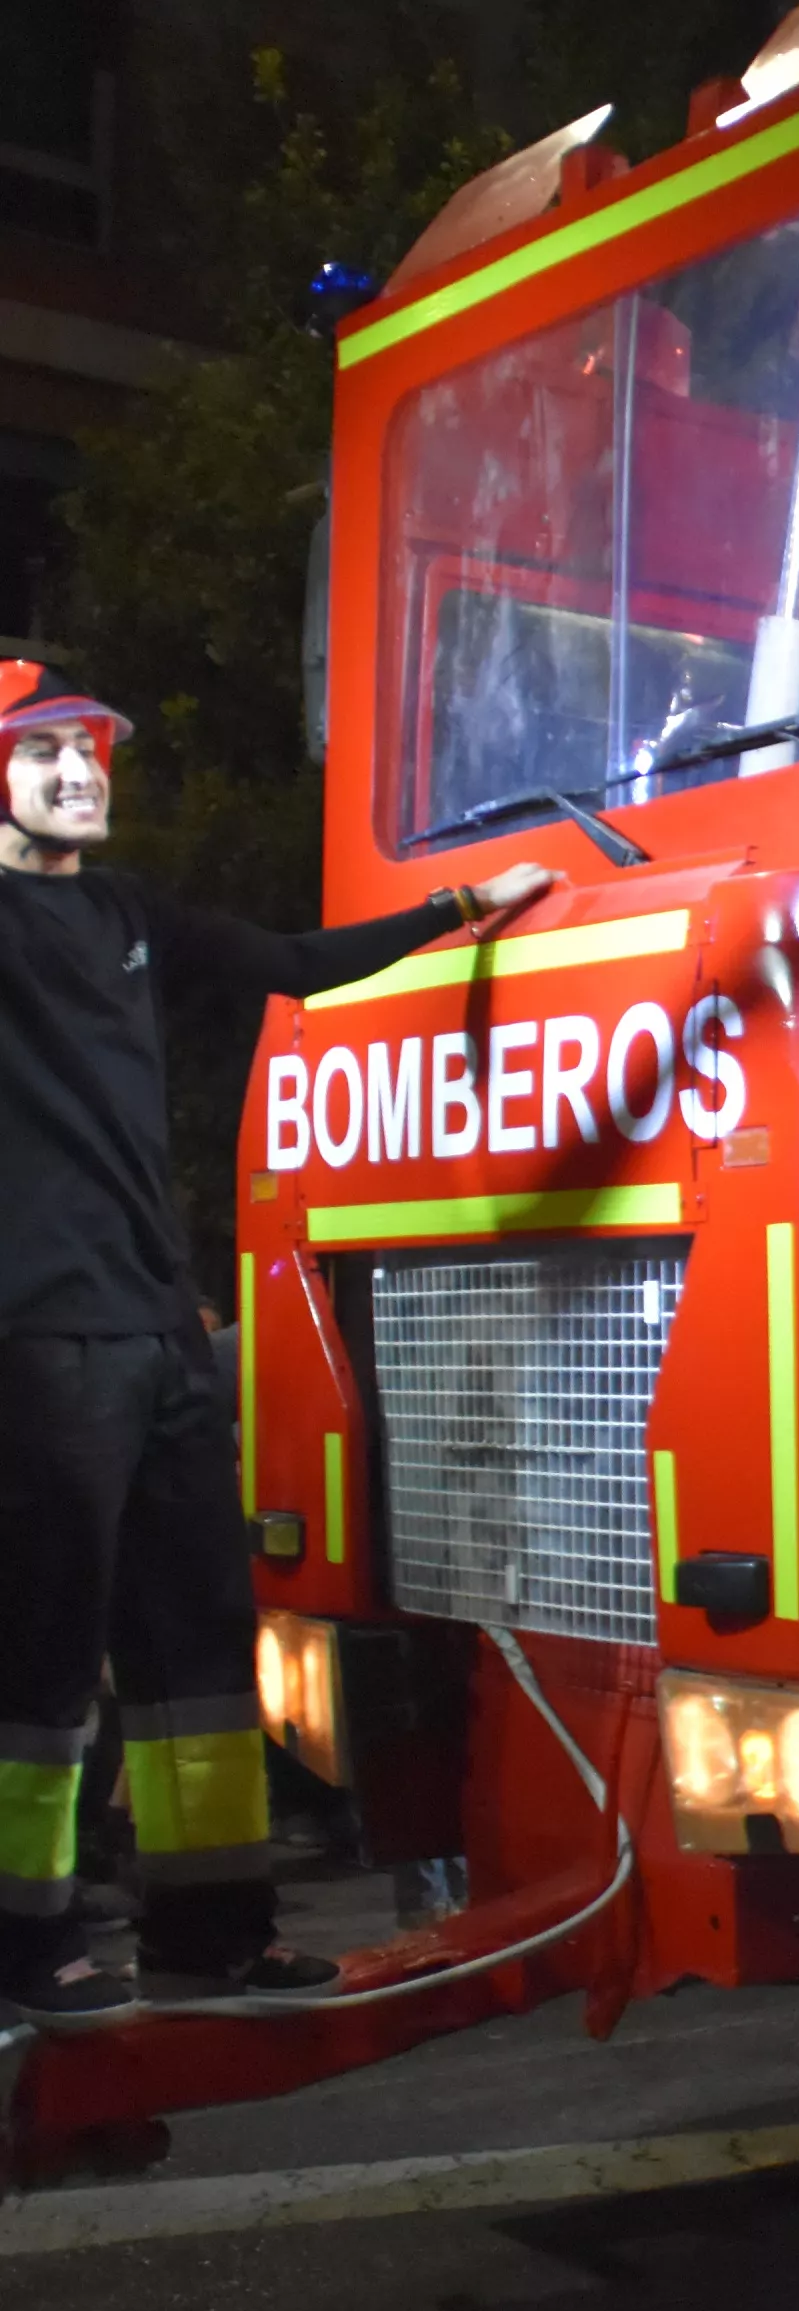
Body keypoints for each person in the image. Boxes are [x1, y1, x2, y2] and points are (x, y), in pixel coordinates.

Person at [0, 666, 554, 2019]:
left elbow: (290, 965)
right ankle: (24, 1947)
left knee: (199, 1646)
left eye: (91, 749)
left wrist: (452, 912)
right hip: (37, 1338)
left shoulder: (126, 912)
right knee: (40, 1665)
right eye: (44, 751)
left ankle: (213, 1931)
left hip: (158, 1332)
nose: (82, 771)